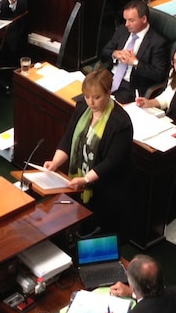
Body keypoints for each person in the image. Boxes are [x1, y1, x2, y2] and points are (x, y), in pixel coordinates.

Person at [43, 69, 133, 233]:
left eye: (96, 97)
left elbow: (111, 162)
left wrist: (85, 179)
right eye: (87, 96)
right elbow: (69, 138)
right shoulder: (82, 108)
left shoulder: (121, 123)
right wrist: (55, 163)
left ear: (108, 93)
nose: (91, 102)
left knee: (94, 230)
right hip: (79, 182)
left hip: (105, 189)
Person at [99, 0, 169, 104]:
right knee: (88, 95)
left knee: (108, 105)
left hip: (130, 86)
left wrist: (136, 62)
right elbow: (103, 53)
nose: (127, 24)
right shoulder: (123, 30)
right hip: (109, 77)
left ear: (144, 19)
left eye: (131, 20)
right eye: (125, 20)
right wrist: (115, 54)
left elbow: (159, 74)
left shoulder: (158, 42)